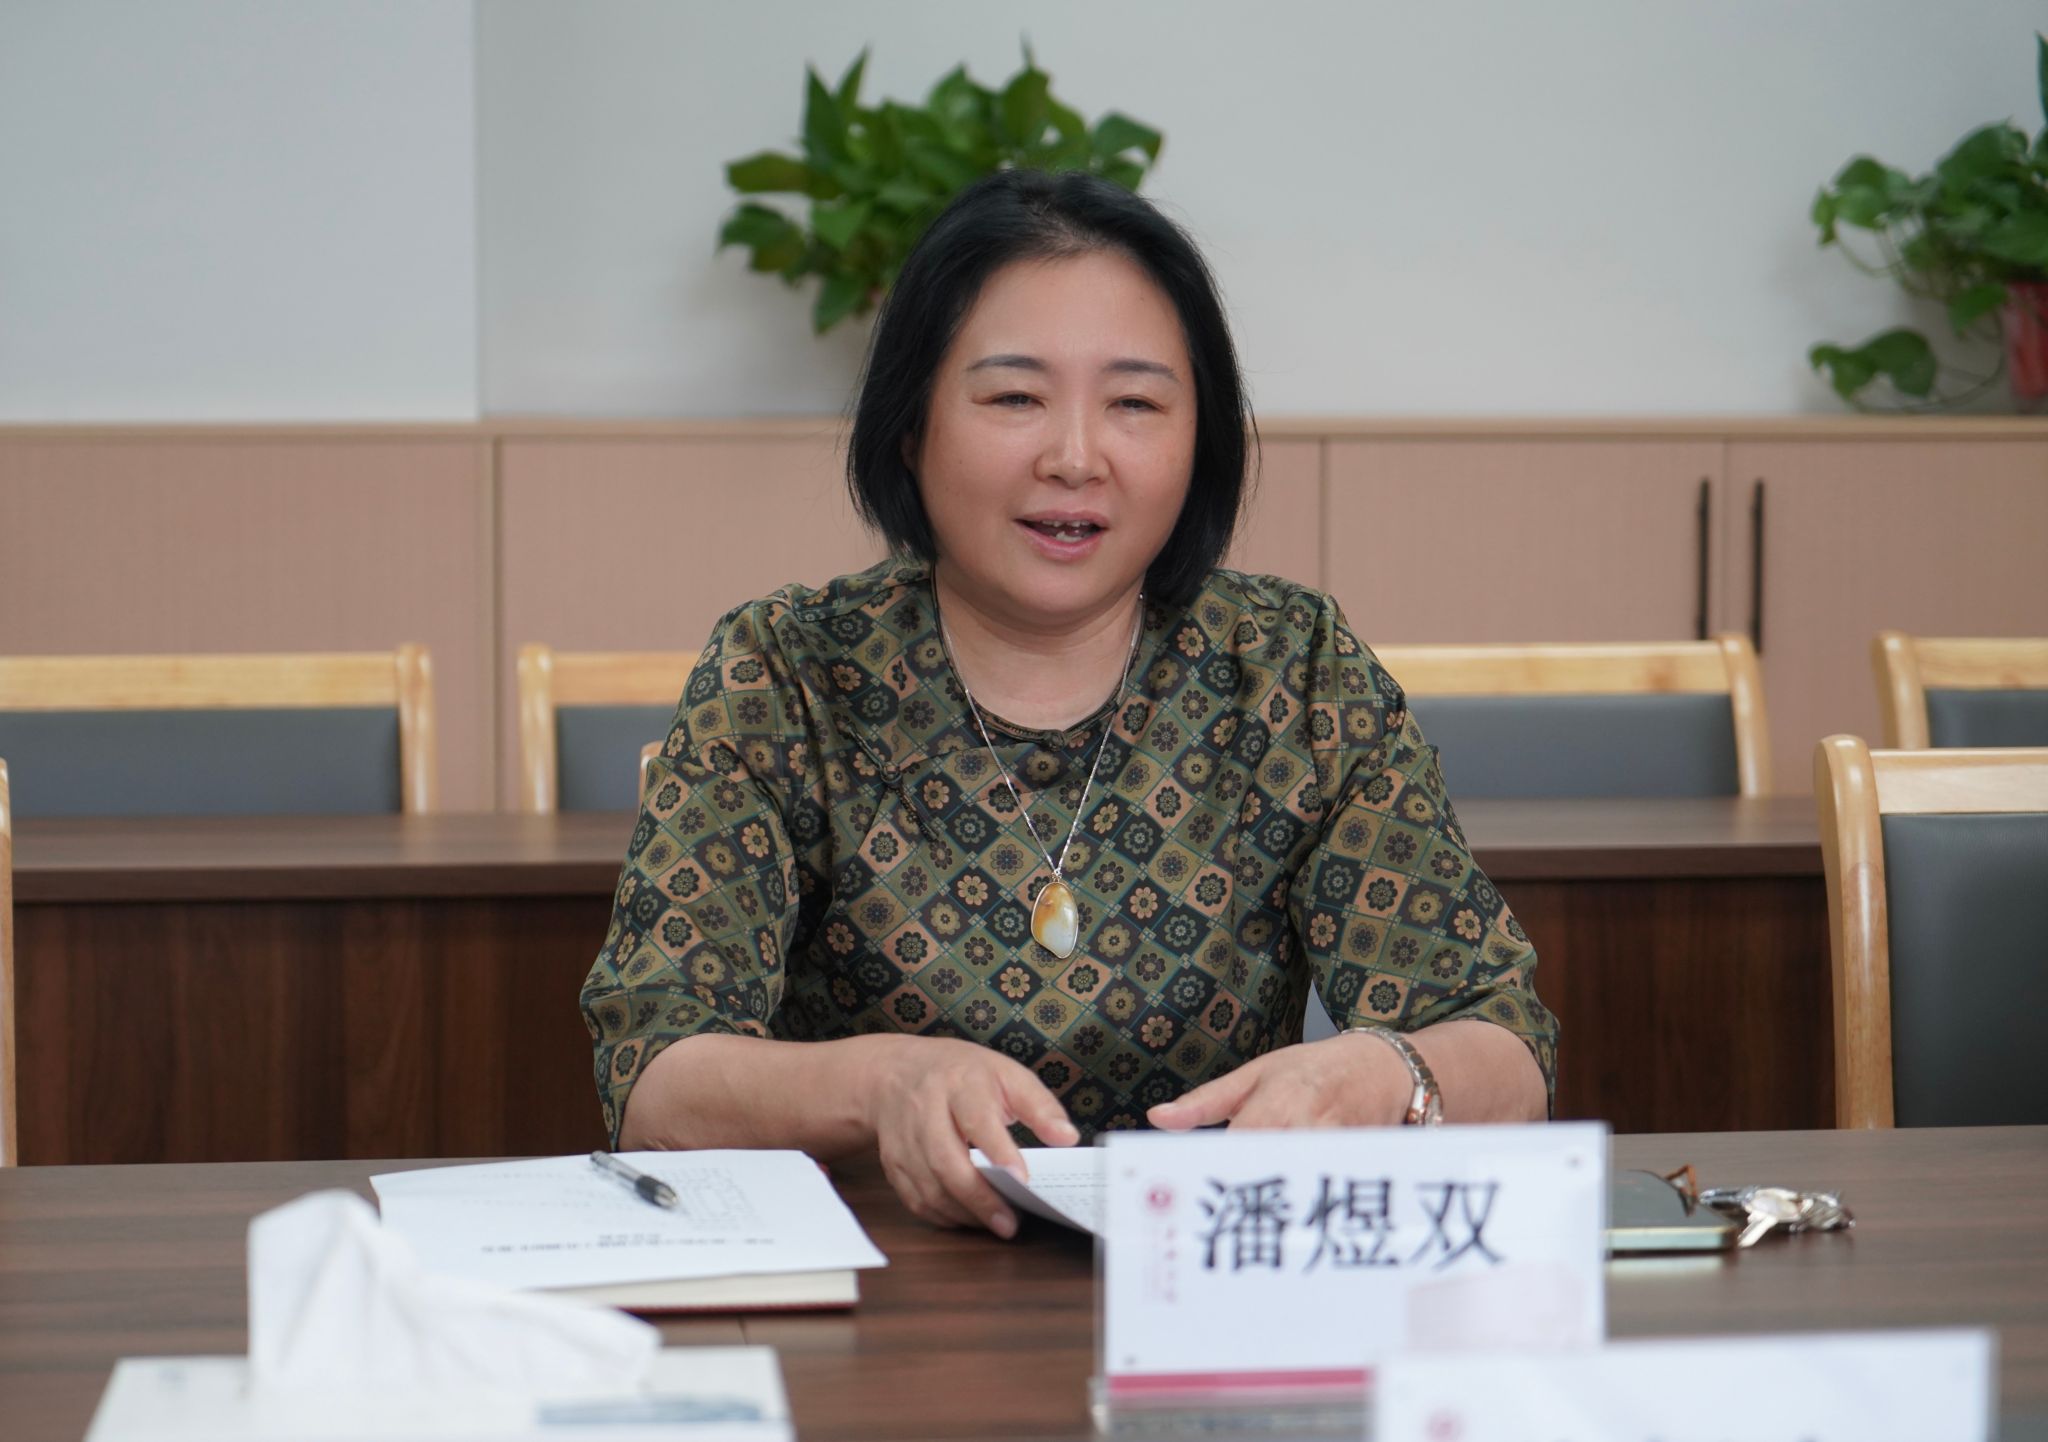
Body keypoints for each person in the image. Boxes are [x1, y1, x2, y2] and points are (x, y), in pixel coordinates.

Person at [580, 169, 1556, 1240]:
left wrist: (1383, 1074)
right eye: (1014, 398)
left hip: (1209, 1280)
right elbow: (655, 1076)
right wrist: (882, 1082)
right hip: (886, 1282)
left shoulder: (1290, 669)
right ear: (909, 425)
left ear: (1200, 439)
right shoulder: (787, 672)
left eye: (1134, 403)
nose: (1075, 458)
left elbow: (1504, 1045)